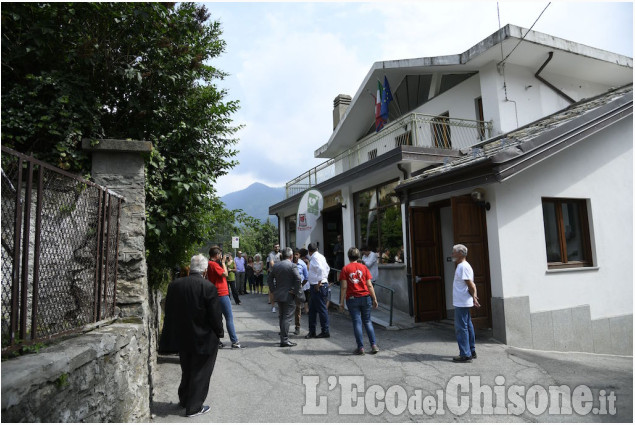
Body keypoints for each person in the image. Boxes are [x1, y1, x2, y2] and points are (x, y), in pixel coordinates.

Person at [159, 254, 224, 417]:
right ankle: (194, 407)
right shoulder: (208, 287)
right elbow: (215, 315)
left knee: (186, 369)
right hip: (203, 336)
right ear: (204, 270)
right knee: (201, 371)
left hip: (182, 335)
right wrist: (219, 332)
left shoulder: (175, 285)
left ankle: (185, 399)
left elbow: (169, 309)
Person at [339, 247, 379, 355]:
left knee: (357, 322)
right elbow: (369, 285)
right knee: (367, 321)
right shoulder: (364, 268)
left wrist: (341, 302)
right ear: (358, 256)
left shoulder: (345, 269)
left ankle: (360, 348)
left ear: (348, 256)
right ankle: (373, 345)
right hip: (365, 297)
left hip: (352, 299)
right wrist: (374, 298)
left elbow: (343, 287)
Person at [207, 246, 242, 349]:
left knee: (217, 319)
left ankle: (216, 341)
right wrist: (223, 262)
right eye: (220, 254)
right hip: (221, 293)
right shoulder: (214, 264)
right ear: (217, 255)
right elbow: (225, 274)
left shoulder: (209, 264)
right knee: (229, 318)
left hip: (215, 293)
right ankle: (234, 341)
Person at [267, 247, 303, 347]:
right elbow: (298, 279)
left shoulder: (276, 266)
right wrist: (295, 291)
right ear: (291, 256)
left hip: (279, 295)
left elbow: (269, 279)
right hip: (288, 295)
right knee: (286, 317)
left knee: (282, 316)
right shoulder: (292, 266)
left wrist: (274, 290)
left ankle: (283, 338)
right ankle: (284, 340)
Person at [451, 244, 480, 363]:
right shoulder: (463, 266)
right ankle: (471, 351)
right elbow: (471, 284)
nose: (452, 254)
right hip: (463, 301)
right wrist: (474, 297)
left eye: (454, 252)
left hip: (461, 302)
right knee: (468, 326)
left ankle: (465, 354)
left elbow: (471, 284)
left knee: (461, 328)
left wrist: (474, 297)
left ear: (460, 253)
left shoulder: (462, 267)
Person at [305, 243, 330, 339]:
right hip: (318, 285)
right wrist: (324, 279)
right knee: (312, 309)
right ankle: (312, 331)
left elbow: (320, 269)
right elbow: (327, 268)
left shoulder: (315, 258)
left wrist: (319, 282)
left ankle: (325, 331)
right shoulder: (321, 256)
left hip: (317, 286)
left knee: (321, 309)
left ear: (309, 251)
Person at [292, 248, 309, 335]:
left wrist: (301, 284)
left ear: (299, 255)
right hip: (289, 289)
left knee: (297, 308)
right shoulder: (289, 264)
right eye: (294, 254)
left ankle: (297, 327)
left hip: (298, 289)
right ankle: (284, 327)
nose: (295, 256)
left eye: (297, 254)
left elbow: (306, 277)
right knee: (287, 308)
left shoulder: (302, 264)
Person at [267, 243, 282, 313]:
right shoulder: (271, 254)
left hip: (279, 274)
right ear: (273, 248)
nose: (277, 248)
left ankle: (280, 305)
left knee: (280, 290)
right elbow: (272, 264)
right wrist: (280, 266)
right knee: (272, 290)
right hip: (272, 274)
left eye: (278, 247)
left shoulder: (281, 254)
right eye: (275, 247)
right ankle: (273, 306)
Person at [299, 248, 311, 313]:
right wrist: (308, 263)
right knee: (306, 294)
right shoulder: (306, 260)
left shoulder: (298, 260)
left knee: (301, 294)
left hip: (301, 278)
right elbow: (308, 269)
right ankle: (306, 309)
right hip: (305, 279)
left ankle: (301, 308)